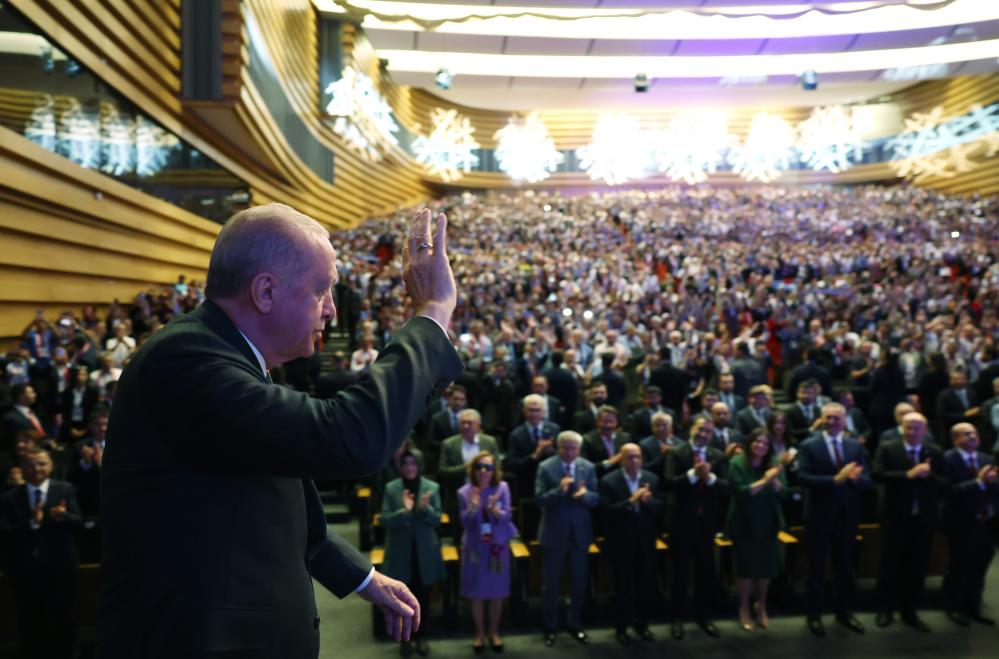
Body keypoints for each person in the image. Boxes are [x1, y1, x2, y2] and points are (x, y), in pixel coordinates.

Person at [98, 205, 462, 658]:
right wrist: (432, 312)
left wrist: (364, 578)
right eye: (321, 290)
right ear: (265, 292)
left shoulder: (230, 358)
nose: (331, 309)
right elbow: (348, 438)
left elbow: (283, 502)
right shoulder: (186, 360)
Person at [797, 402, 872, 637]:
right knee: (816, 568)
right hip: (818, 516)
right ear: (821, 419)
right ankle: (814, 614)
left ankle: (844, 612)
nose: (831, 422)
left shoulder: (855, 446)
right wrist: (834, 480)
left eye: (836, 418)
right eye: (828, 417)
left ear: (844, 420)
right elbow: (802, 477)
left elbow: (868, 481)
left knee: (845, 567)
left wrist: (857, 479)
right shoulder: (809, 445)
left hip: (846, 516)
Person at [0, 447, 82, 659]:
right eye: (30, 464)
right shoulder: (9, 497)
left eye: (42, 463)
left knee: (64, 615)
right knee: (30, 618)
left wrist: (62, 516)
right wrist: (32, 523)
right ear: (21, 468)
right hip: (25, 570)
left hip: (60, 566)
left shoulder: (64, 489)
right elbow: (5, 532)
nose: (37, 468)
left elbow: (79, 522)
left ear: (51, 465)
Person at [872, 412, 945, 631]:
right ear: (901, 428)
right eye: (908, 427)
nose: (912, 432)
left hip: (923, 517)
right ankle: (885, 609)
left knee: (918, 565)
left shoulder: (934, 451)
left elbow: (945, 484)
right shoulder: (888, 448)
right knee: (890, 564)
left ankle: (910, 611)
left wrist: (928, 475)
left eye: (916, 428)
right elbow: (877, 474)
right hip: (895, 516)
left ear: (925, 430)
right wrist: (908, 474)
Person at [665, 416, 729, 640]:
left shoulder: (717, 455)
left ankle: (704, 616)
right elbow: (669, 483)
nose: (703, 434)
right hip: (681, 522)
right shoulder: (676, 453)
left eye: (708, 431)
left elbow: (725, 488)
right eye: (700, 429)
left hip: (706, 524)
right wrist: (693, 474)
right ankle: (677, 618)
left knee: (705, 572)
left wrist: (709, 477)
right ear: (692, 429)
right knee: (680, 573)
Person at [535, 431, 599, 647]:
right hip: (554, 534)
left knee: (579, 583)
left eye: (574, 448)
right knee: (551, 585)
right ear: (558, 447)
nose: (570, 452)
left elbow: (596, 499)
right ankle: (550, 626)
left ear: (579, 449)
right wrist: (559, 491)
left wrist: (585, 495)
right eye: (566, 447)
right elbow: (540, 500)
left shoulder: (588, 467)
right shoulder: (546, 467)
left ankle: (575, 623)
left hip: (580, 535)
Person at [381, 450, 447, 657]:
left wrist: (426, 510)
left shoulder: (432, 487)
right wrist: (405, 511)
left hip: (424, 553)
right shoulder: (391, 488)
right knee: (401, 599)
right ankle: (405, 639)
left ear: (420, 465)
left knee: (423, 599)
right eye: (406, 463)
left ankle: (422, 637)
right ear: (400, 466)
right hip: (401, 553)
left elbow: (437, 520)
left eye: (413, 463)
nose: (409, 467)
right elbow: (385, 520)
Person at [599, 443, 663, 646]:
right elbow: (607, 511)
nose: (634, 461)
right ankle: (621, 628)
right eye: (629, 457)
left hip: (645, 541)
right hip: (621, 542)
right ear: (621, 459)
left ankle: (642, 625)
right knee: (623, 587)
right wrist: (631, 501)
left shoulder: (652, 479)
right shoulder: (609, 480)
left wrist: (649, 502)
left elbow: (661, 508)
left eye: (637, 457)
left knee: (645, 585)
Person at [725, 428, 787, 632]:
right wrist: (765, 480)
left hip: (768, 521)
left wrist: (775, 480)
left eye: (765, 443)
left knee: (766, 568)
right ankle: (744, 607)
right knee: (745, 569)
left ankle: (761, 606)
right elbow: (741, 492)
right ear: (749, 443)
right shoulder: (737, 463)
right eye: (757, 442)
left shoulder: (774, 463)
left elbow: (784, 492)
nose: (761, 446)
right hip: (744, 522)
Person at [458, 451, 517, 654]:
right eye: (479, 467)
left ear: (494, 470)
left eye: (488, 467)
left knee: (496, 592)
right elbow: (464, 523)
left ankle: (494, 632)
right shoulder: (464, 492)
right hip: (475, 547)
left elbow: (507, 517)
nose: (483, 471)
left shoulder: (502, 487)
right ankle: (480, 633)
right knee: (477, 593)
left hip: (496, 547)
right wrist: (473, 508)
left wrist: (495, 510)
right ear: (473, 470)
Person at [941, 423, 998, 627]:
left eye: (974, 433)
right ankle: (953, 607)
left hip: (987, 522)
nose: (973, 436)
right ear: (955, 439)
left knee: (979, 567)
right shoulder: (947, 459)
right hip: (960, 522)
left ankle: (973, 606)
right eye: (966, 434)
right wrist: (979, 482)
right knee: (958, 567)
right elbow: (948, 491)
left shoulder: (987, 459)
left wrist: (993, 482)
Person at [505, 394, 560, 498]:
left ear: (543, 412)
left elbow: (561, 457)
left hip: (551, 481)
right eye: (531, 410)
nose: (534, 414)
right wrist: (534, 456)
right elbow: (511, 463)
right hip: (527, 482)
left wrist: (550, 451)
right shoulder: (516, 435)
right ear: (524, 411)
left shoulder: (554, 429)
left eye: (537, 410)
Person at [583, 404, 631, 478]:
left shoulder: (625, 438)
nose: (608, 425)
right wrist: (609, 463)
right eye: (605, 422)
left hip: (621, 479)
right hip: (599, 478)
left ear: (617, 422)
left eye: (611, 421)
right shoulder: (588, 439)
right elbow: (586, 466)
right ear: (597, 422)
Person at [638, 411, 683, 476]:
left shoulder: (680, 444)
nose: (661, 428)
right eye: (657, 425)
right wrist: (663, 456)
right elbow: (645, 469)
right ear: (652, 428)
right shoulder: (644, 445)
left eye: (664, 425)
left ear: (671, 427)